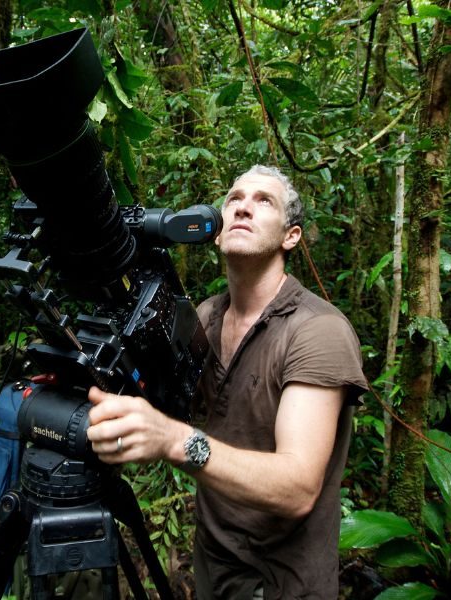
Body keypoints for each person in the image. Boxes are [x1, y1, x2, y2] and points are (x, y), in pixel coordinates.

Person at [86, 165, 368, 599]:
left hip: (280, 583)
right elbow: (159, 406)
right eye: (235, 198)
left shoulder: (317, 330)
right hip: (214, 573)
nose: (244, 208)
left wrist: (173, 440)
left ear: (290, 236)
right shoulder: (205, 318)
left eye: (263, 201)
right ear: (216, 233)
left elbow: (297, 489)